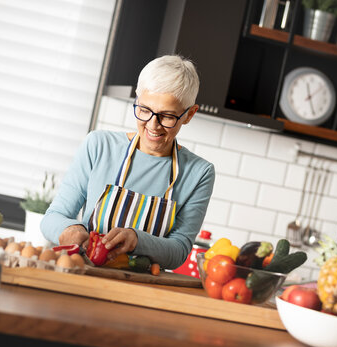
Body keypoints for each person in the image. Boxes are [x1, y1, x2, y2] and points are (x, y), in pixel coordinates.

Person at [41, 55, 215, 270]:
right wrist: (70, 230)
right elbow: (53, 217)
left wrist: (137, 240)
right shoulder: (99, 145)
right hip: (84, 274)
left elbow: (179, 250)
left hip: (143, 289)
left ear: (189, 114)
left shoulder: (199, 173)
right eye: (144, 110)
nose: (153, 125)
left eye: (167, 116)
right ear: (137, 99)